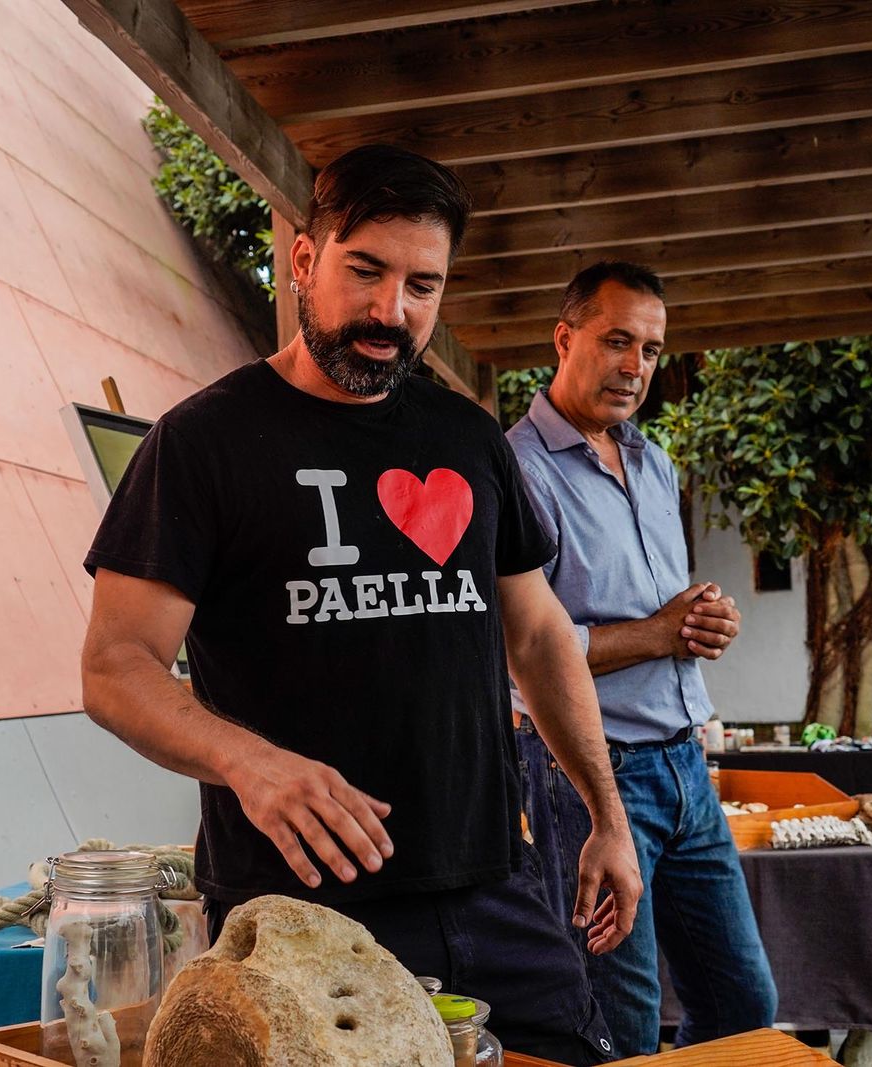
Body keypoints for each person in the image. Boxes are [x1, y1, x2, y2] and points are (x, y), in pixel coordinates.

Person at [79, 145, 640, 1064]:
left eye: (424, 284)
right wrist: (252, 764)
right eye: (366, 271)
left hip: (497, 890)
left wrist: (605, 817)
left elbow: (538, 636)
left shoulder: (465, 435)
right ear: (304, 260)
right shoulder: (202, 442)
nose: (392, 312)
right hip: (301, 922)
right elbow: (113, 667)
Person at [505, 261, 776, 1058]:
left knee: (744, 1000)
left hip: (687, 768)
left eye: (651, 349)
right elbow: (518, 656)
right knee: (620, 1024)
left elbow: (663, 610)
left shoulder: (653, 462)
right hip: (586, 777)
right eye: (616, 340)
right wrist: (659, 632)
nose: (635, 365)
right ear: (565, 337)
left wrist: (702, 621)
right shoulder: (517, 468)